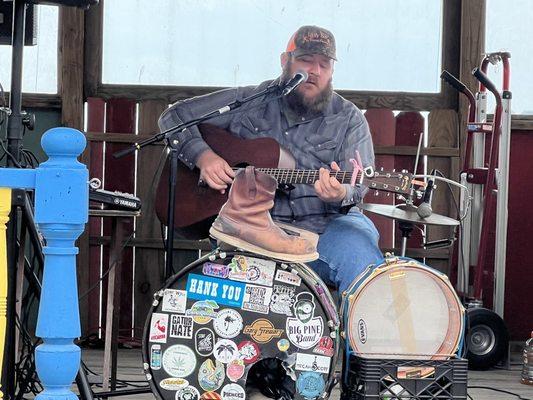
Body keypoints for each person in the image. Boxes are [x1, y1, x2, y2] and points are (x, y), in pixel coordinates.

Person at [158, 25, 382, 294]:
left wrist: (339, 192)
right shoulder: (248, 101)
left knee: (362, 260)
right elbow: (174, 116)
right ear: (285, 61)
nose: (316, 71)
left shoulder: (349, 118)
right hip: (250, 228)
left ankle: (354, 337)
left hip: (323, 229)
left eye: (324, 64)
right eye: (306, 60)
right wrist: (204, 157)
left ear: (332, 71)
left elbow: (357, 184)